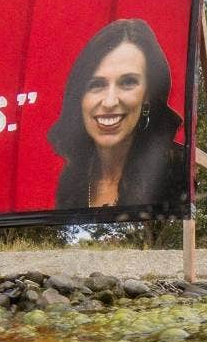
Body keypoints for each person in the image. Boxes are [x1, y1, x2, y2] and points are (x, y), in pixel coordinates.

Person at [48, 19, 187, 212]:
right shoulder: (72, 180)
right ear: (80, 96)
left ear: (148, 95)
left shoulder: (180, 170)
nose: (110, 102)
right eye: (97, 84)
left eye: (128, 82)